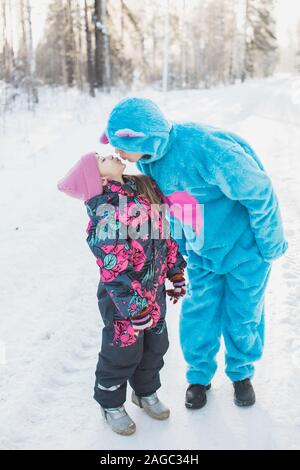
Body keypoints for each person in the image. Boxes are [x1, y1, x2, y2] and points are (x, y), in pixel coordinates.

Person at [99, 97, 288, 409]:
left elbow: (259, 191)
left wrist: (269, 242)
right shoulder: (149, 159)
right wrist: (183, 249)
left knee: (244, 313)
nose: (117, 153)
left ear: (142, 136)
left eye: (121, 144)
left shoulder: (206, 148)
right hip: (204, 253)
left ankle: (241, 373)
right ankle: (199, 377)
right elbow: (178, 207)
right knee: (199, 312)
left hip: (246, 249)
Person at [57, 152, 186, 435]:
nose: (111, 154)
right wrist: (135, 307)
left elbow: (164, 236)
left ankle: (145, 391)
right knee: (122, 352)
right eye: (102, 159)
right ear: (100, 178)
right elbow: (114, 271)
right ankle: (111, 402)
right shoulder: (106, 212)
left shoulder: (140, 190)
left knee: (156, 346)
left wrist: (175, 271)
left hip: (153, 293)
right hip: (123, 301)